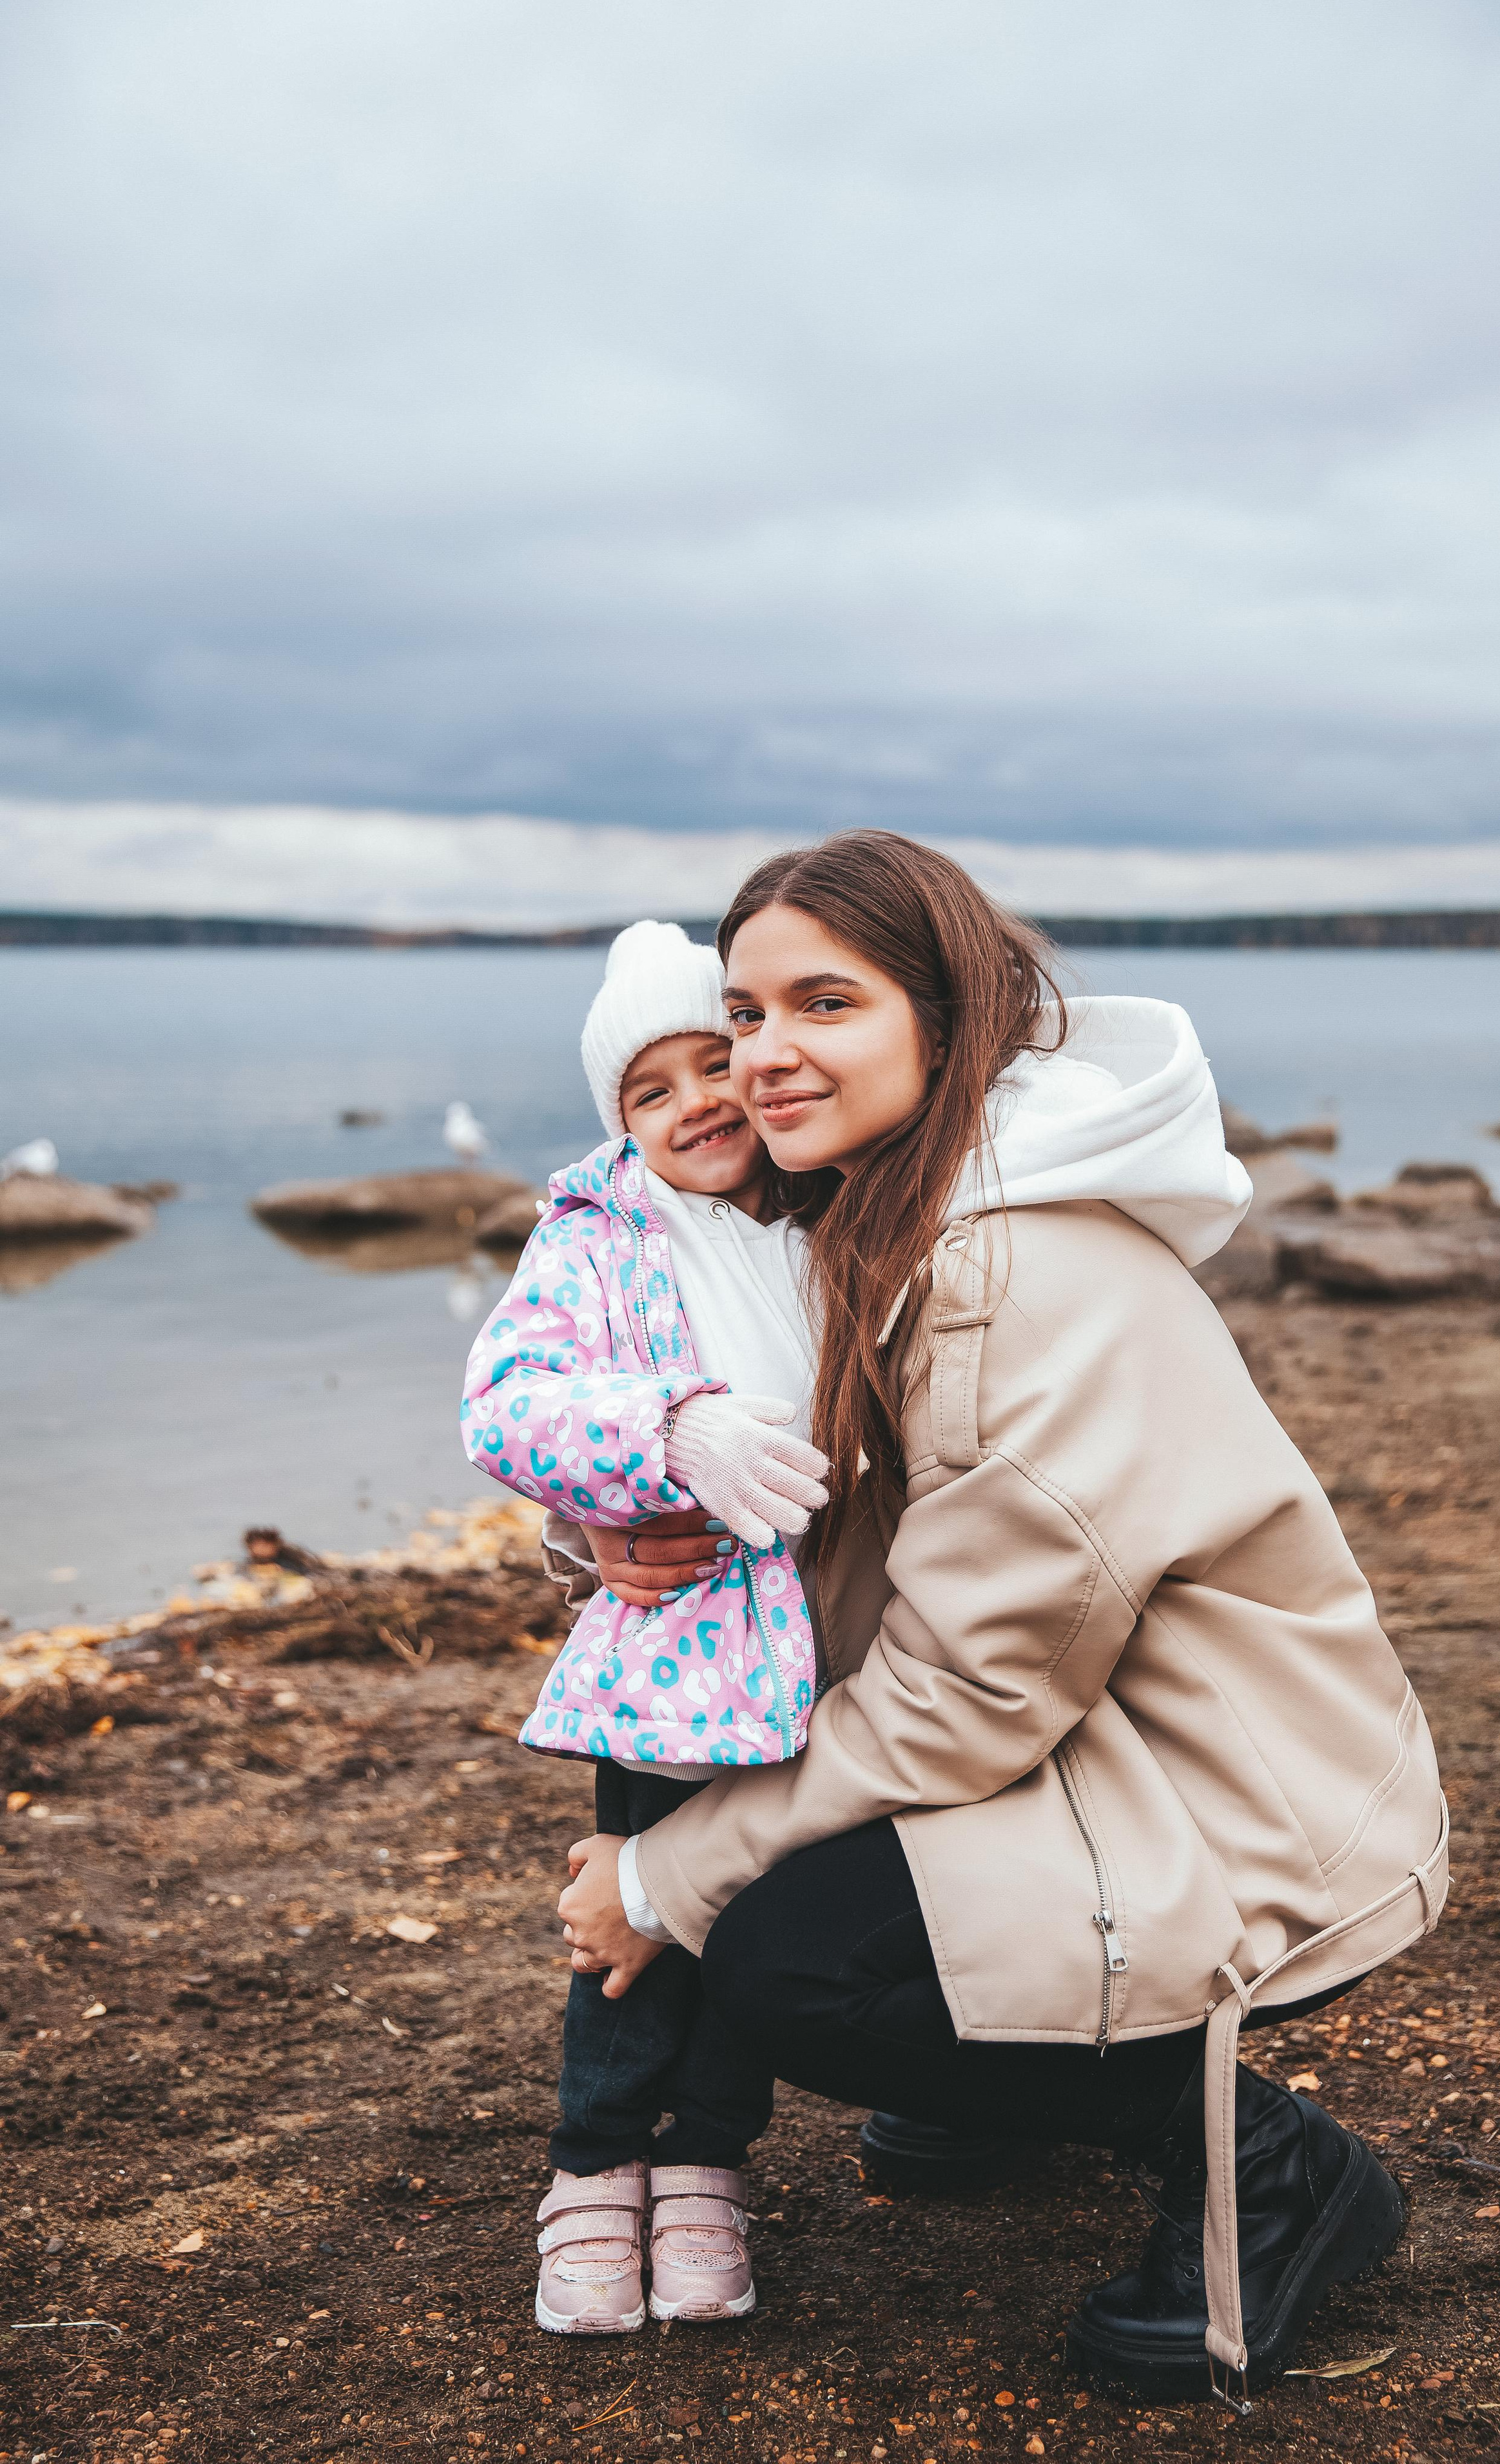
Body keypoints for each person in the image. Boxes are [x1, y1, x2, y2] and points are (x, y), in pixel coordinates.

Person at [557, 832, 1449, 2412]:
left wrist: (660, 1874)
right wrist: (617, 1530)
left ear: (946, 1018)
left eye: (821, 1004)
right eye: (744, 1012)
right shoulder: (881, 1207)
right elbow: (830, 1517)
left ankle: (1270, 2164)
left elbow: (971, 1696)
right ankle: (997, 2082)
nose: (763, 1056)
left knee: (776, 1958)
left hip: (1222, 1790)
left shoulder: (1008, 1266)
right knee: (746, 1848)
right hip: (1080, 1723)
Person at [462, 919, 830, 2334]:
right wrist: (659, 1436)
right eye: (649, 1090)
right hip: (682, 1653)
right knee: (635, 1916)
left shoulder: (826, 1211)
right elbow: (509, 1406)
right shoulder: (599, 1238)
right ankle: (592, 2170)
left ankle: (704, 2170)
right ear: (618, 1122)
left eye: (713, 1062)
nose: (695, 1105)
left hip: (835, 1650)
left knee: (746, 1920)